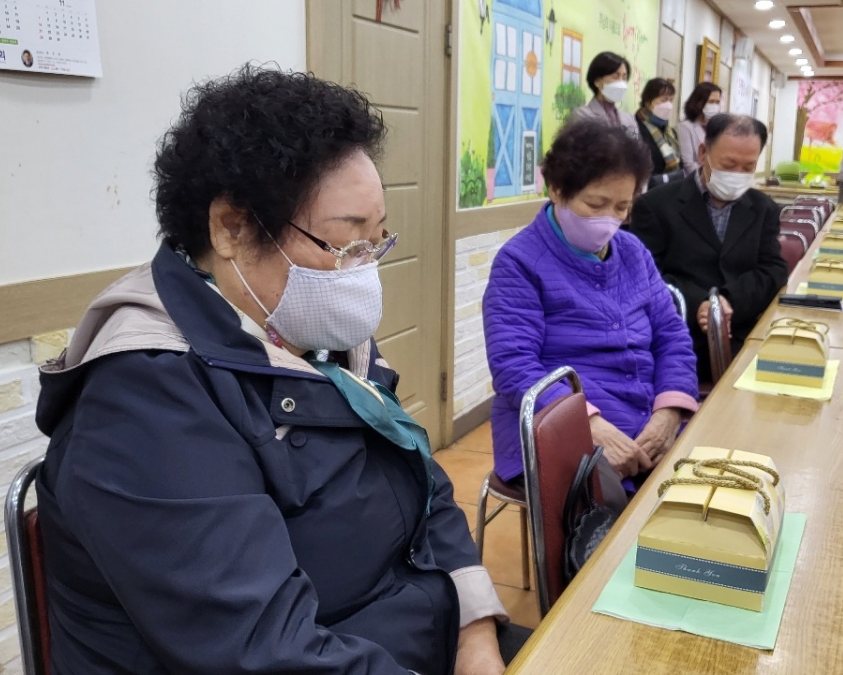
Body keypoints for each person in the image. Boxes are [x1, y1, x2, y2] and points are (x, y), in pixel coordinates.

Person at [33, 66, 521, 675]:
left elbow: (424, 483)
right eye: (345, 244)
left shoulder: (314, 335)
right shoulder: (145, 399)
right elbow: (261, 650)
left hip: (418, 639)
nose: (363, 269)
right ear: (232, 228)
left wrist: (475, 632)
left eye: (376, 241)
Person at [484, 119, 699, 487]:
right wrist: (587, 423)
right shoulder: (519, 262)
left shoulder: (633, 252)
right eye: (596, 204)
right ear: (557, 190)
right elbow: (514, 365)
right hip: (555, 425)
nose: (609, 219)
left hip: (644, 419)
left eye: (622, 207)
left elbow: (672, 337)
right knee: (623, 512)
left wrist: (668, 411)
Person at [630, 114, 788, 384]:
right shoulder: (656, 205)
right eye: (729, 165)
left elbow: (773, 270)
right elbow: (644, 274)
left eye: (748, 167)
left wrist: (727, 301)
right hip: (678, 336)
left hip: (743, 335)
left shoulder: (764, 209)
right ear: (703, 153)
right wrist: (700, 305)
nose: (737, 174)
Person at [569, 51, 639, 138]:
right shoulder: (582, 116)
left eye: (624, 78)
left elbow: (637, 145)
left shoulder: (629, 119)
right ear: (597, 81)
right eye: (615, 76)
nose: (621, 83)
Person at [635, 78, 683, 187]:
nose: (668, 105)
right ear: (648, 102)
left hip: (670, 188)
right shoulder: (636, 127)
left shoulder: (669, 132)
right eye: (664, 100)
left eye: (671, 100)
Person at [678, 82, 723, 175]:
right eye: (711, 101)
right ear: (699, 102)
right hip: (698, 177)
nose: (714, 106)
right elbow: (688, 164)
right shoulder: (686, 127)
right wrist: (708, 176)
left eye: (717, 102)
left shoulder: (720, 126)